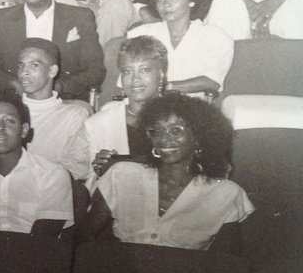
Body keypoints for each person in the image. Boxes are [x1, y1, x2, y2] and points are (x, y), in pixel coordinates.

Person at [78, 93, 253, 251]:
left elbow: (228, 265)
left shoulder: (225, 194)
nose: (163, 139)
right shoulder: (122, 175)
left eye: (175, 130)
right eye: (156, 131)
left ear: (199, 137)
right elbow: (82, 240)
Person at [0, 88, 73, 235]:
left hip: (34, 255)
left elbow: (43, 241)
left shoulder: (52, 174)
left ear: (24, 130)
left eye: (9, 121)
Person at [130, 0, 234, 96]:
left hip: (191, 109)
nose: (166, 4)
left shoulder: (216, 37)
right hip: (147, 106)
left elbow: (211, 81)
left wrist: (165, 87)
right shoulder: (139, 35)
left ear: (192, 0)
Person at [84, 34, 167, 184]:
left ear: (161, 75)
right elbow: (91, 183)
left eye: (145, 70)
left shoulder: (183, 117)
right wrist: (99, 171)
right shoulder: (99, 123)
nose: (135, 79)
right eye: (127, 71)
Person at [15, 39, 91, 180]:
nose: (24, 72)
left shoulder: (74, 115)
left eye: (34, 65)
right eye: (21, 66)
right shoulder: (8, 111)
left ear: (52, 71)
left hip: (51, 191)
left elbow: (78, 169)